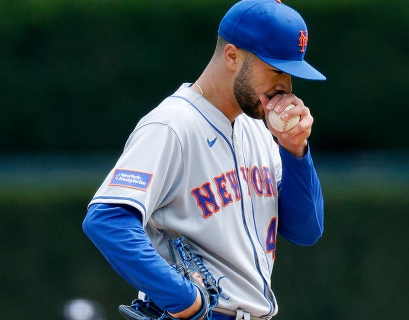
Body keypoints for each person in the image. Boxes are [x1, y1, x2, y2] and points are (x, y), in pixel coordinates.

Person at [82, 0, 325, 319]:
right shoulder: (172, 125)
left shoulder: (258, 129)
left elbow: (305, 231)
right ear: (233, 56)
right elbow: (107, 219)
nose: (285, 86)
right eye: (276, 69)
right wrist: (185, 300)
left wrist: (295, 150)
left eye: (291, 74)